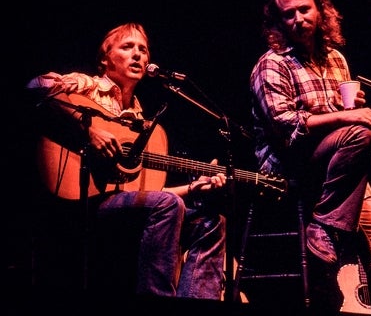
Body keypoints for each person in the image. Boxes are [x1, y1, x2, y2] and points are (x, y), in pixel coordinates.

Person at [249, 0, 371, 315]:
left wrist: (349, 108)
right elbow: (286, 127)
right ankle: (326, 225)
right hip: (291, 165)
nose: (298, 19)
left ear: (320, 10)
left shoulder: (336, 59)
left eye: (305, 10)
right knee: (362, 132)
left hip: (336, 171)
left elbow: (339, 118)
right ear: (278, 22)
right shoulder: (272, 64)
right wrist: (349, 118)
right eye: (289, 14)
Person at [26, 22, 227, 299]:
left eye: (143, 50)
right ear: (104, 60)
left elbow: (146, 195)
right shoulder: (89, 86)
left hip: (119, 204)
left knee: (210, 220)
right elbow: (37, 84)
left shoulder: (141, 117)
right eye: (127, 47)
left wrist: (194, 187)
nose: (138, 55)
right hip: (81, 204)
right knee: (168, 205)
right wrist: (88, 129)